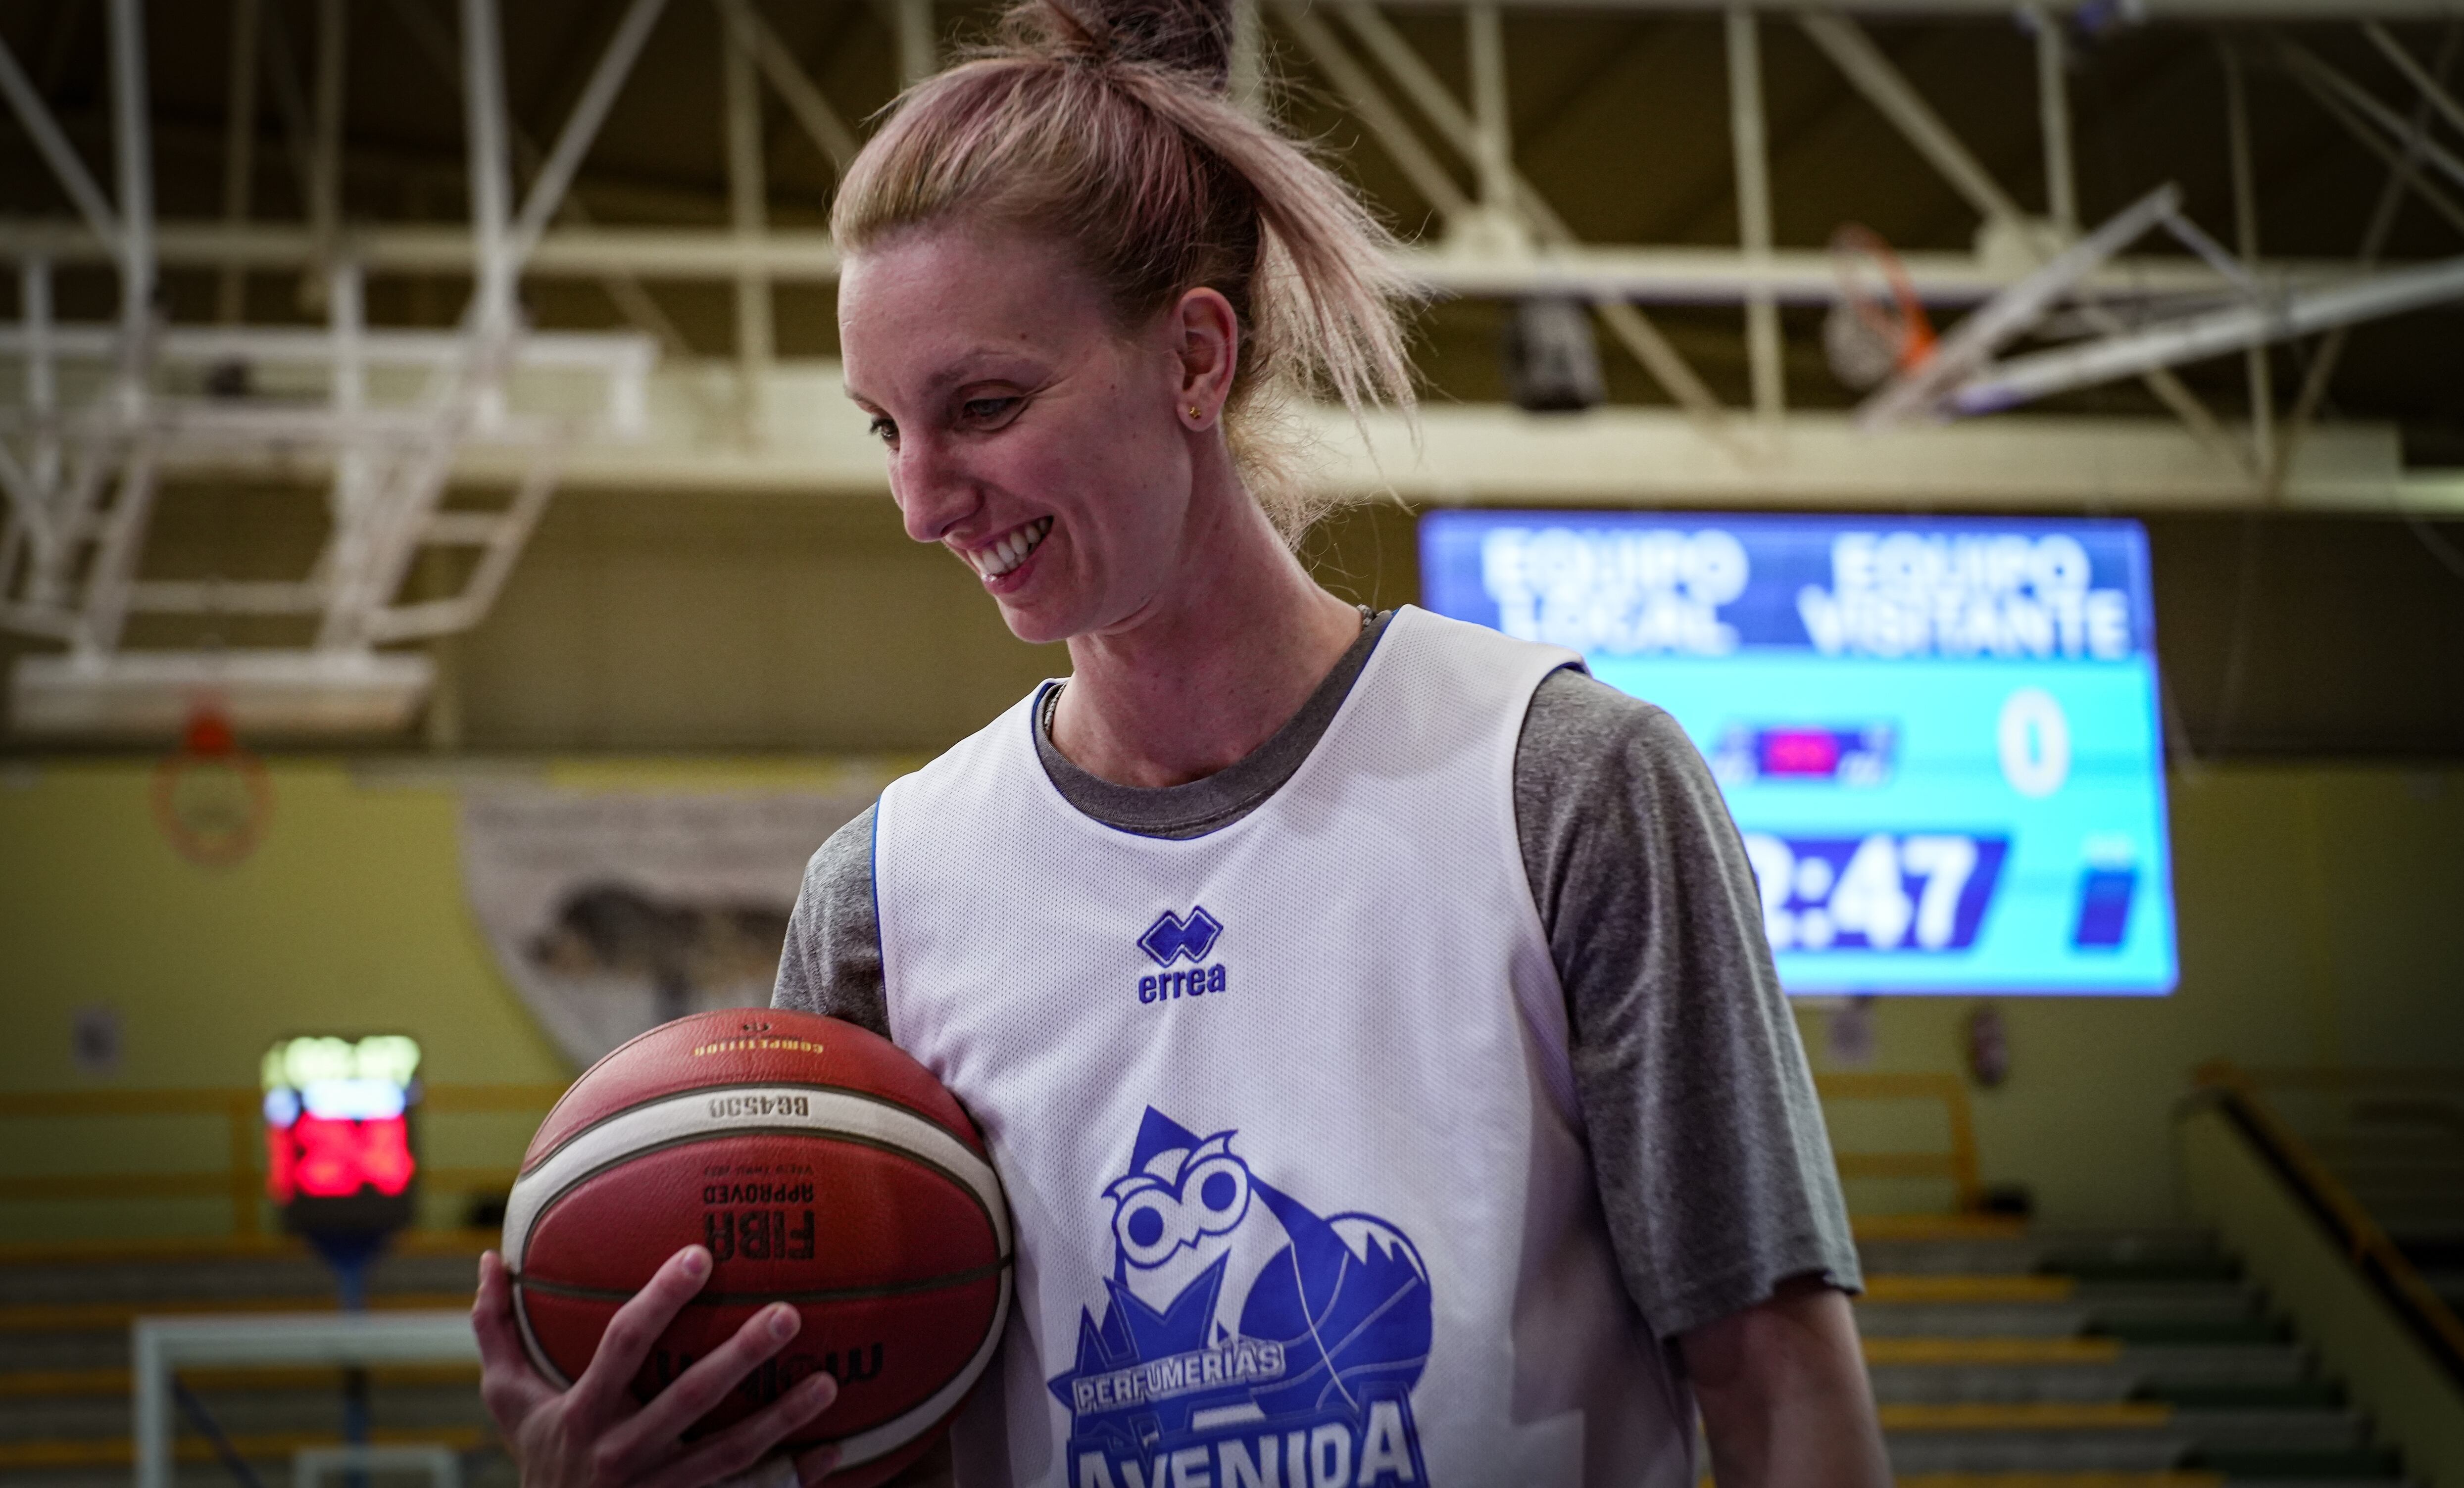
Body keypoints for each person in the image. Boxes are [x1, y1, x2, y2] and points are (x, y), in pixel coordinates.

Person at [473, 0, 1890, 1482]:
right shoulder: (887, 892)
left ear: (1197, 359)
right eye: (885, 427)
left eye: (985, 405)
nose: (921, 501)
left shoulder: (1563, 784)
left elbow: (1783, 1388)